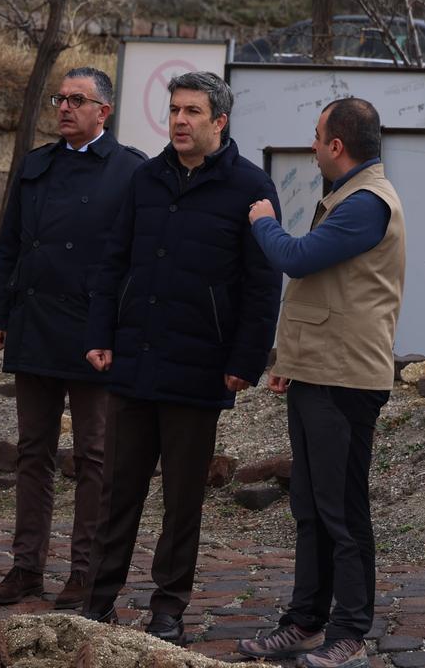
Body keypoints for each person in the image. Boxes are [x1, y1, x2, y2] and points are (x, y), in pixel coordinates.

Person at [81, 71, 282, 644]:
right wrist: (100, 333)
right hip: (134, 363)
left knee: (181, 503)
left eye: (192, 111)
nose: (179, 121)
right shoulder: (146, 180)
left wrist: (245, 359)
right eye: (174, 110)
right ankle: (98, 600)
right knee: (117, 492)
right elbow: (111, 262)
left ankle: (168, 609)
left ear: (219, 121)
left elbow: (262, 287)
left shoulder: (250, 187)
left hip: (200, 368)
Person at [236, 97, 405, 668]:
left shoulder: (366, 204)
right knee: (309, 506)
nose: (310, 145)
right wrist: (290, 359)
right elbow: (323, 295)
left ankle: (349, 631)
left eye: (316, 136)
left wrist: (263, 223)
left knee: (342, 510)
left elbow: (299, 260)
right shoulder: (346, 198)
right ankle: (305, 621)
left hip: (346, 381)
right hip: (319, 373)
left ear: (337, 145)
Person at [0, 67, 146, 609]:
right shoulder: (36, 165)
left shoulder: (130, 172)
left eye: (78, 100)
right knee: (33, 452)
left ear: (105, 111)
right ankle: (26, 567)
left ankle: (85, 572)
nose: (65, 107)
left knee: (94, 457)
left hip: (92, 333)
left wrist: (118, 331)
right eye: (60, 98)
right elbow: (9, 246)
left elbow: (132, 264)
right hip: (34, 325)